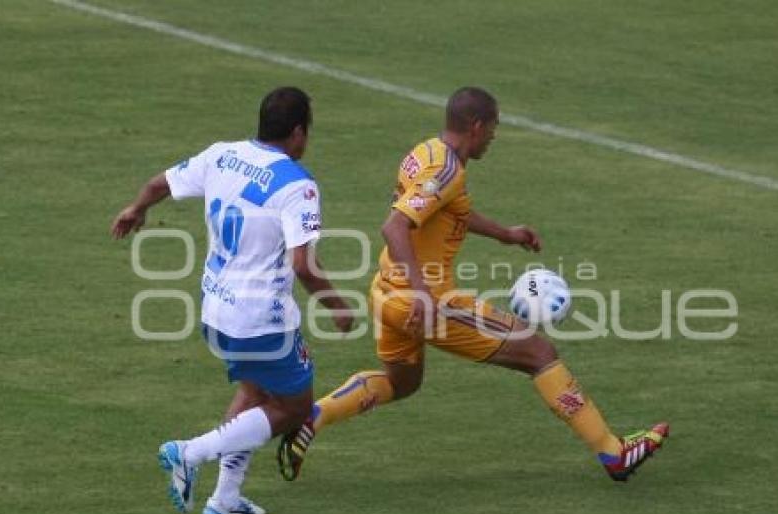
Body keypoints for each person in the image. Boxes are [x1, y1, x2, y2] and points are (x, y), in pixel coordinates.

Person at [278, 87, 668, 482]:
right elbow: (394, 226)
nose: (494, 137)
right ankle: (613, 452)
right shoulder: (445, 171)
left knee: (402, 382)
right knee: (538, 351)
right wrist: (422, 295)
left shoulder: (428, 153)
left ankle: (315, 416)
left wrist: (505, 234)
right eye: (494, 128)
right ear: (477, 127)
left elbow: (452, 210)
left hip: (386, 293)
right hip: (423, 301)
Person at [111, 87, 352, 514]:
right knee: (294, 407)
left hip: (215, 311)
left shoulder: (223, 155)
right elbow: (304, 265)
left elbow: (160, 182)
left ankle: (225, 498)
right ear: (297, 132)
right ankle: (190, 451)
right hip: (260, 319)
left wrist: (137, 207)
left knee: (255, 393)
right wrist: (338, 305)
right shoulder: (297, 185)